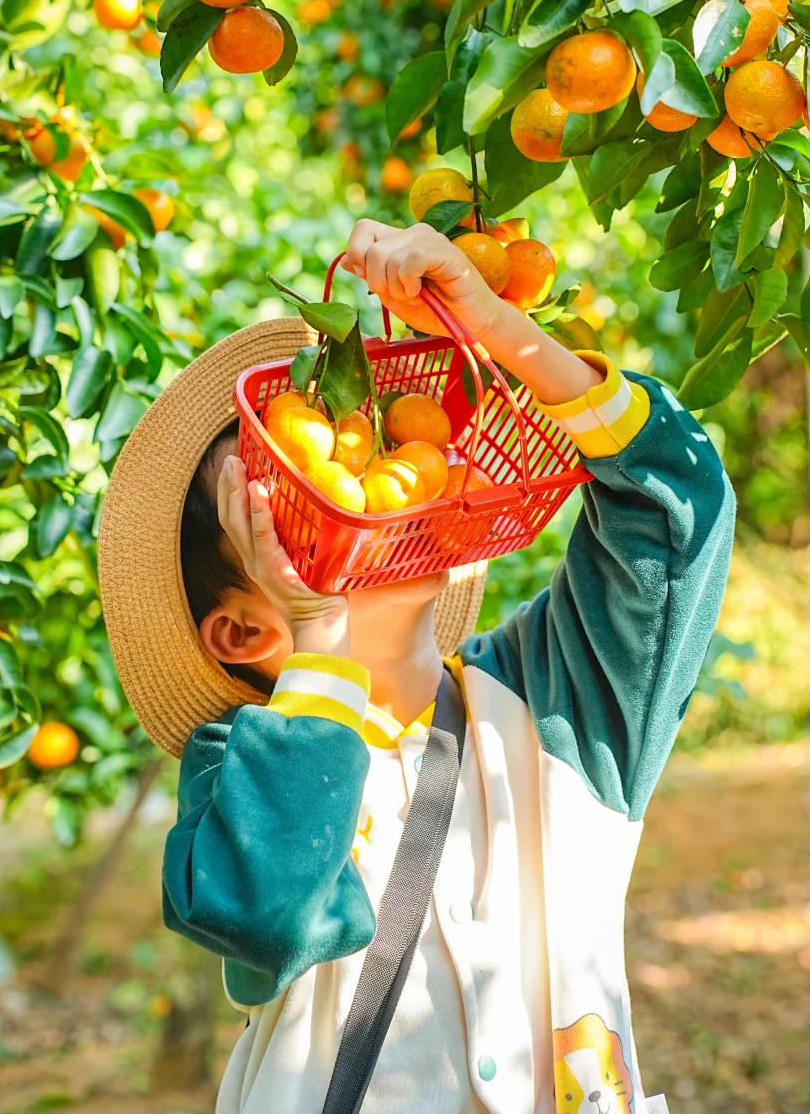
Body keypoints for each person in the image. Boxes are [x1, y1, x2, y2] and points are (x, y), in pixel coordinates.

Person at [98, 219, 735, 1114]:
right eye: (279, 496)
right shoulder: (240, 765)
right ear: (241, 635)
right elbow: (265, 919)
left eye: (352, 448)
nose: (348, 479)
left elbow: (680, 510)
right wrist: (319, 637)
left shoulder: (555, 708)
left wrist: (501, 333)